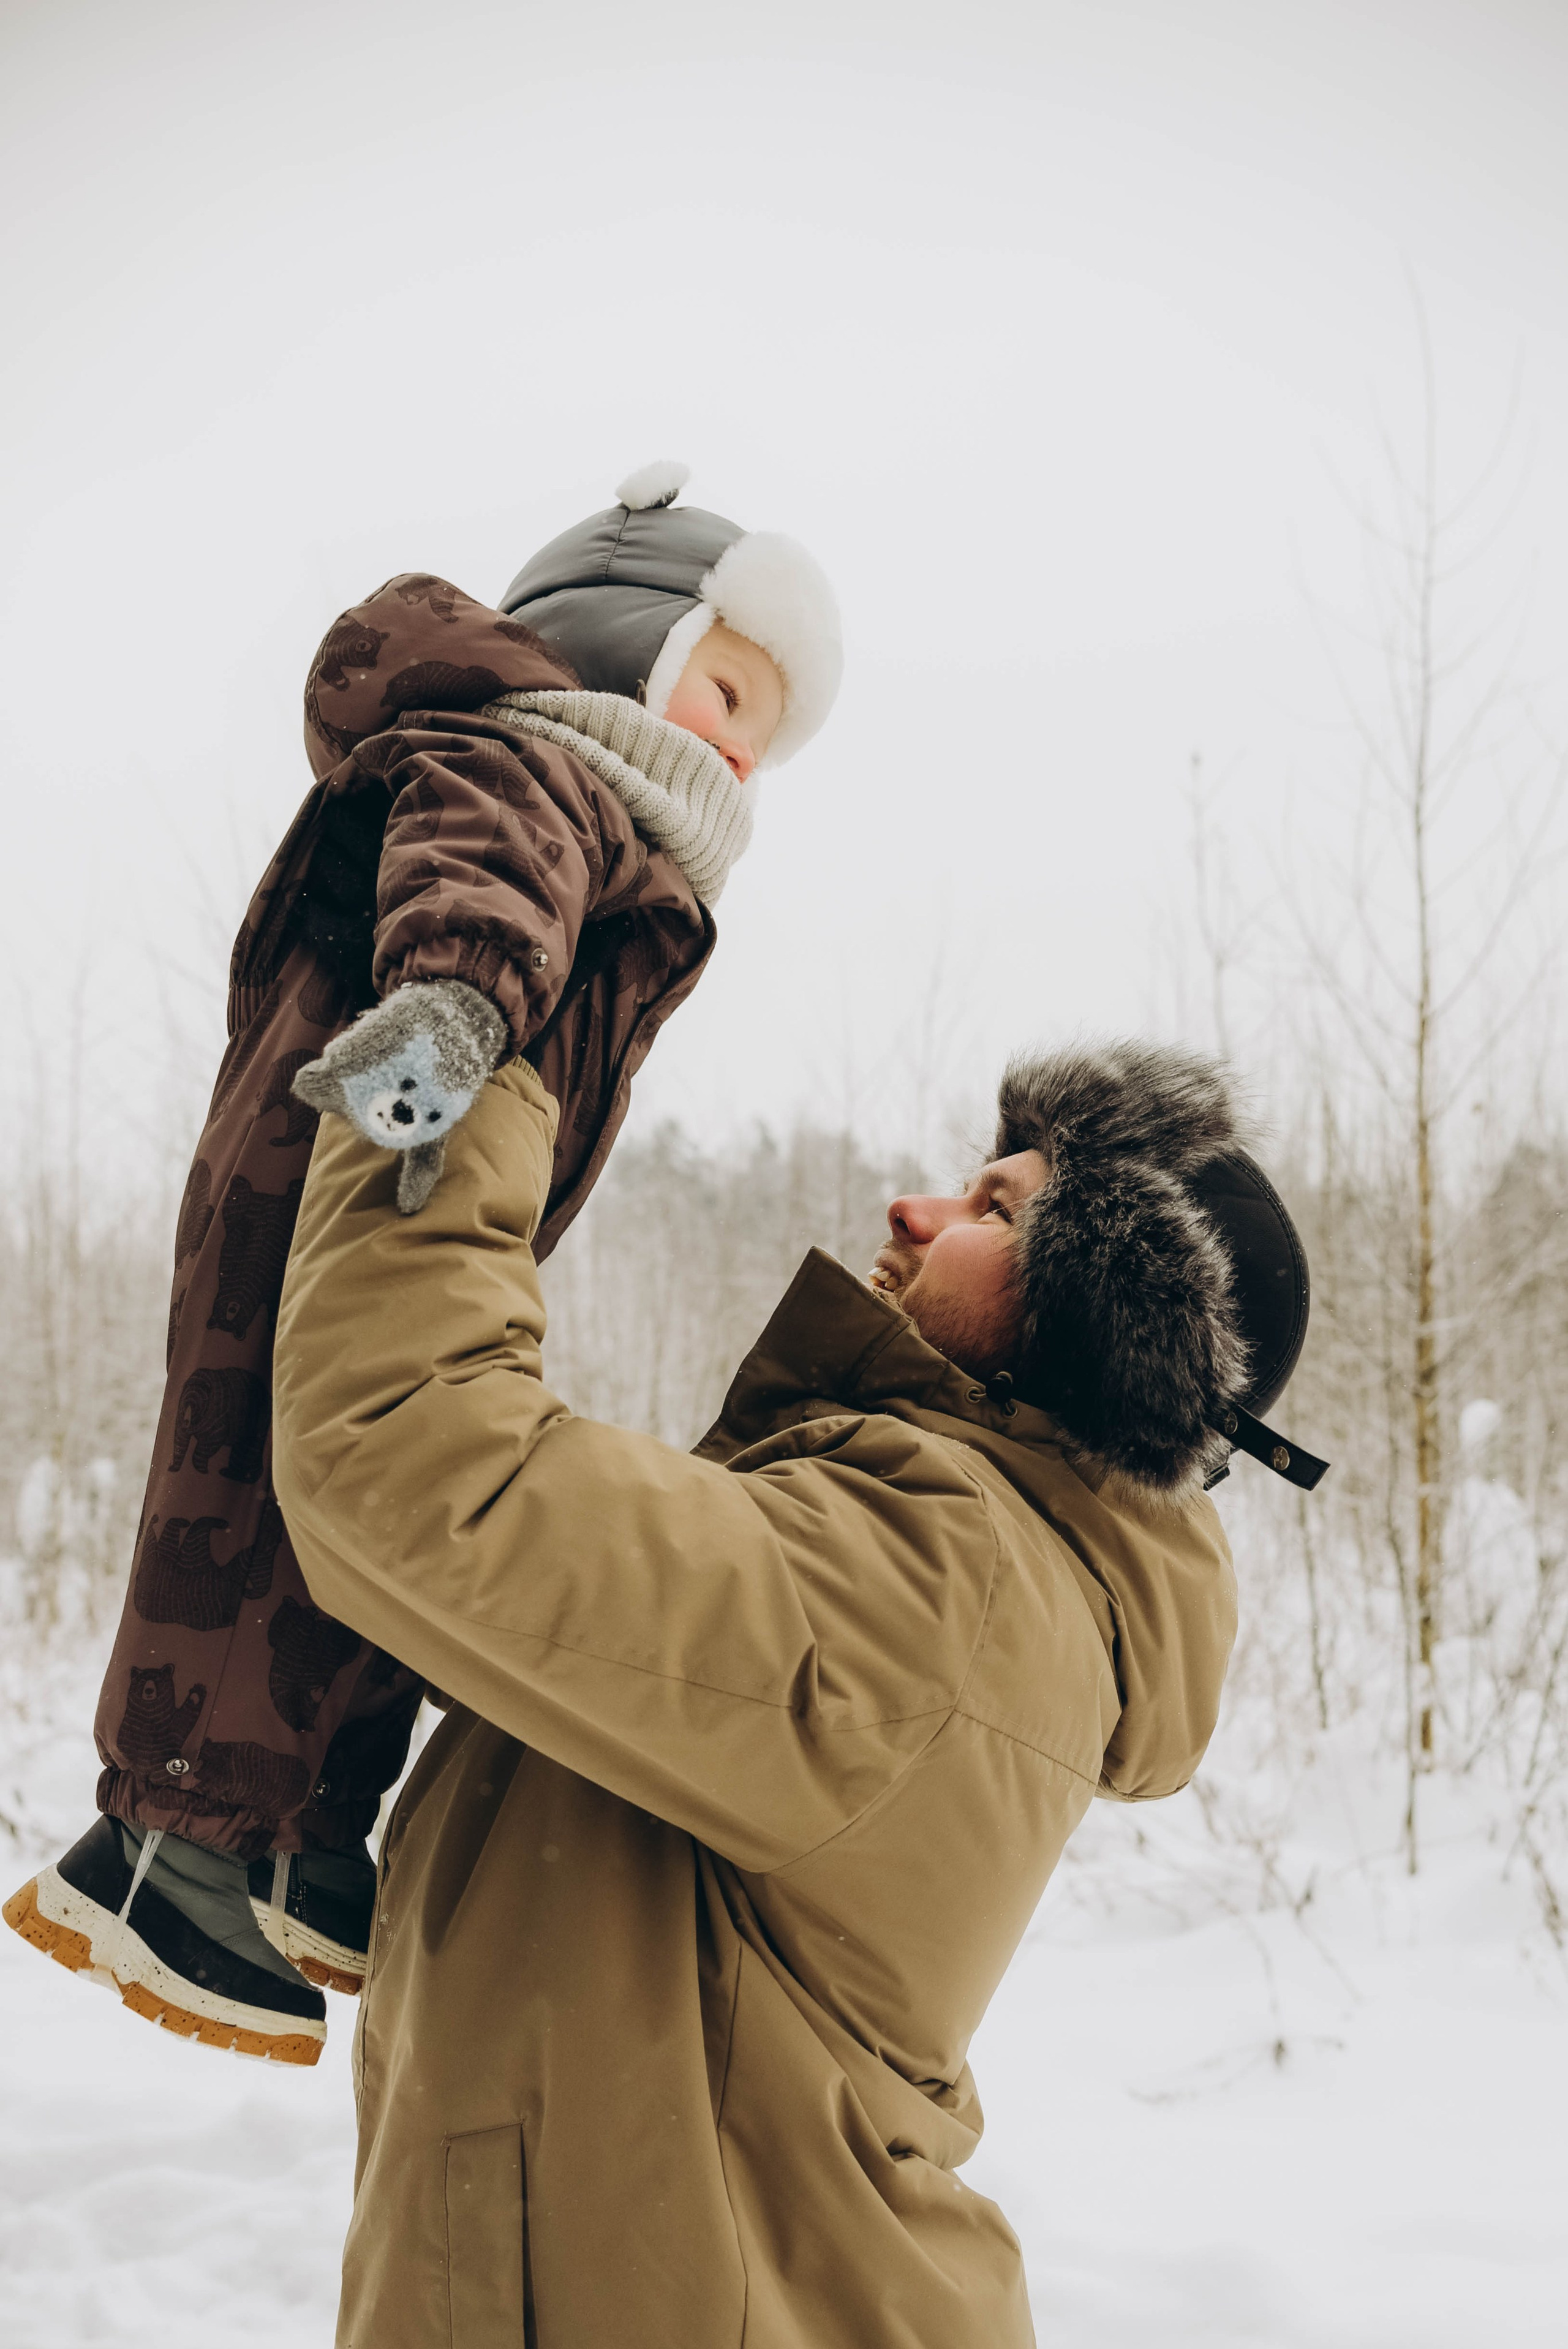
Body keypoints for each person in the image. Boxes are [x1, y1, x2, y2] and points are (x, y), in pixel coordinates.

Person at [266, 1036, 1321, 2346]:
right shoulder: (962, 1560)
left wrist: (462, 1054)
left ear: (1099, 1327)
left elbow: (413, 1459)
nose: (912, 1209)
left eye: (994, 1210)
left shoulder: (936, 1583)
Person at [3, 461, 842, 2064]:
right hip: (347, 1157)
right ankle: (178, 1851)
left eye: (767, 738)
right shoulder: (535, 761)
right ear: (635, 633)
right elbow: (480, 878)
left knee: (395, 1516)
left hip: (415, 1193)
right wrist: (452, 1009)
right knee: (272, 1493)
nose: (739, 747)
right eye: (731, 690)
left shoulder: (609, 813)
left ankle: (314, 1836)